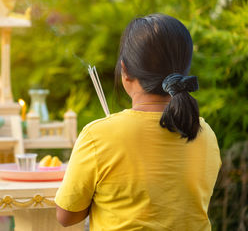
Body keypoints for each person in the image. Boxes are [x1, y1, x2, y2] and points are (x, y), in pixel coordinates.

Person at [55, 14, 221, 230]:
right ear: (183, 72)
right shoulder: (204, 132)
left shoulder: (98, 136)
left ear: (125, 70)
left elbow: (66, 216)